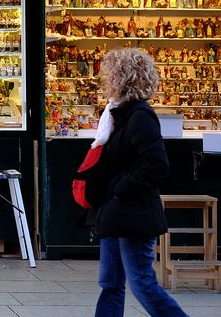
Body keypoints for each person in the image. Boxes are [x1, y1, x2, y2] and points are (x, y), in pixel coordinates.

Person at [92, 48, 187, 317]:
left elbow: (157, 165)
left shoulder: (139, 116)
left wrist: (120, 189)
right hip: (115, 211)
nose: (104, 79)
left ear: (122, 78)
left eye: (108, 74)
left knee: (142, 283)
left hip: (132, 212)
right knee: (110, 283)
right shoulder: (117, 115)